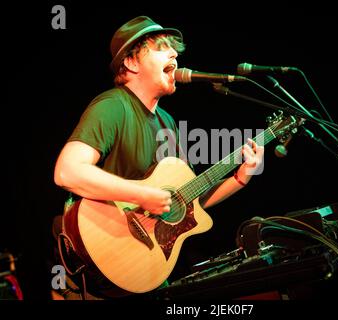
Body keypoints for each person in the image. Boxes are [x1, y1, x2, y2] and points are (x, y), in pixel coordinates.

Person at [53, 16, 264, 300]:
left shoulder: (167, 122)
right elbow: (67, 172)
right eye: (162, 47)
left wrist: (241, 177)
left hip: (143, 269)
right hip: (101, 261)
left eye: (174, 49)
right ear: (131, 62)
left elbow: (188, 203)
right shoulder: (113, 107)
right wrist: (142, 194)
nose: (174, 54)